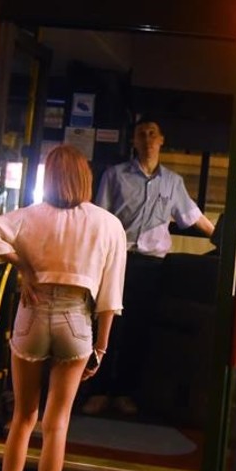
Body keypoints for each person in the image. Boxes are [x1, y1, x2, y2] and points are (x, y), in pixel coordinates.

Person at [0, 144, 127, 471]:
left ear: (48, 177)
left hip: (32, 315)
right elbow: (110, 297)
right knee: (56, 425)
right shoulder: (107, 224)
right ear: (85, 177)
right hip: (77, 320)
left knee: (23, 418)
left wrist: (21, 265)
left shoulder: (28, 217)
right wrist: (101, 348)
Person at [83, 120, 214, 416]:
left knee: (138, 331)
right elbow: (100, 219)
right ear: (134, 141)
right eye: (142, 134)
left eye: (153, 133)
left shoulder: (173, 182)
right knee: (107, 327)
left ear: (162, 140)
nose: (147, 139)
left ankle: (125, 393)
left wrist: (224, 238)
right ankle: (99, 390)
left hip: (152, 267)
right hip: (117, 261)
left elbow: (192, 216)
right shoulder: (114, 176)